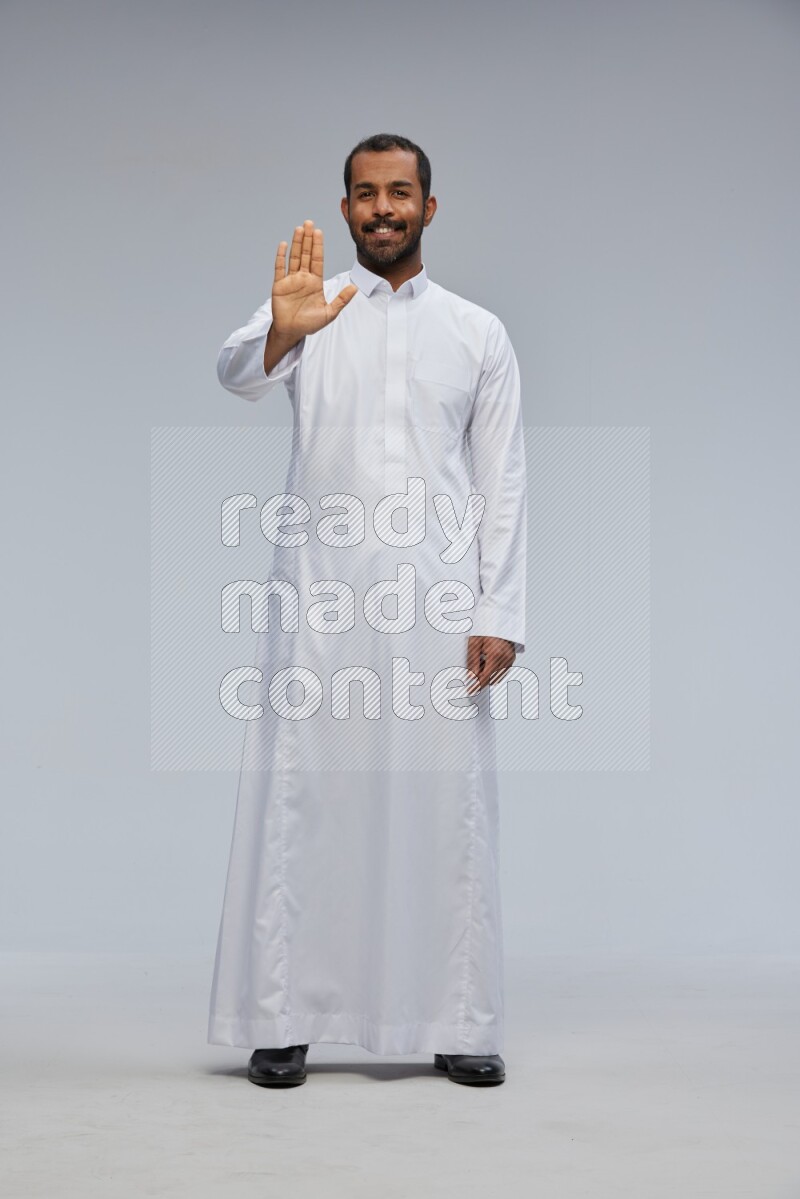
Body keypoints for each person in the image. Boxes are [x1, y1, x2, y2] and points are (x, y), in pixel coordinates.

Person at [208, 132, 527, 1087]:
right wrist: (283, 330)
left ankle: (458, 1018)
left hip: (438, 604)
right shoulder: (313, 308)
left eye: (399, 192)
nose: (382, 208)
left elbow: (502, 480)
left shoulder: (477, 332)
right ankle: (284, 1017)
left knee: (445, 805)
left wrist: (499, 608)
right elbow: (235, 372)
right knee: (307, 800)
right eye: (364, 194)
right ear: (345, 208)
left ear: (429, 206)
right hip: (322, 598)